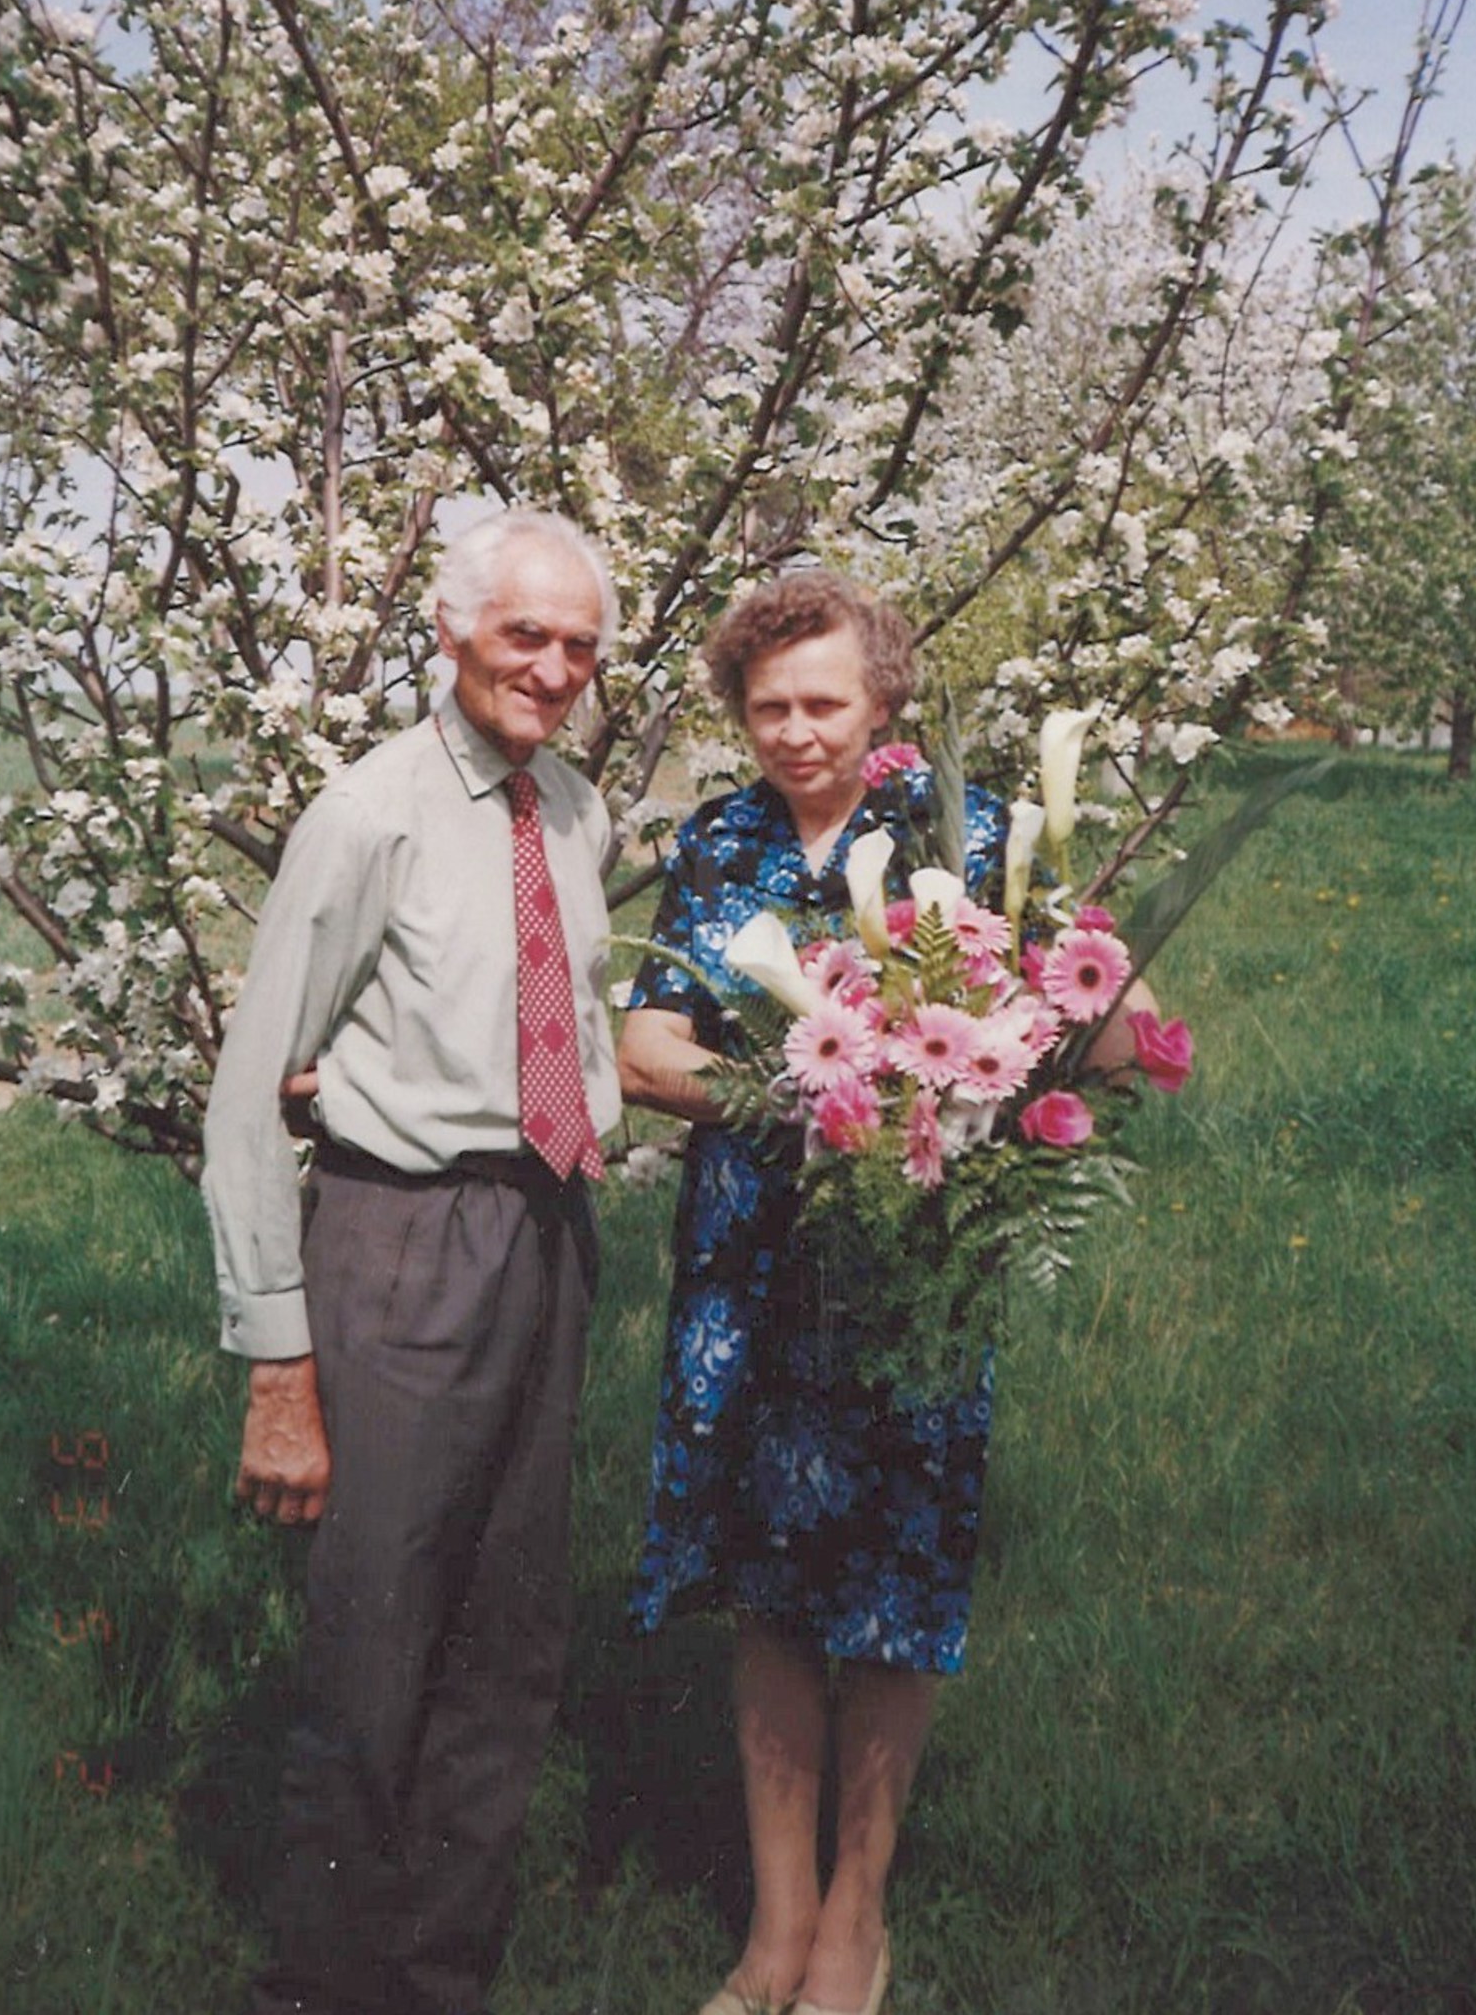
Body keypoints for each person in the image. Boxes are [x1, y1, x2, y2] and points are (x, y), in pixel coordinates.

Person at [617, 569, 1146, 2015]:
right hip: (747, 1259)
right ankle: (775, 1921)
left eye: (823, 704)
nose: (796, 732)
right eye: (768, 707)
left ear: (883, 701)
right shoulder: (718, 839)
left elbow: (1099, 1015)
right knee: (767, 1586)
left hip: (911, 1266)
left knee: (893, 1585)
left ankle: (856, 1916)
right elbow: (646, 1048)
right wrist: (806, 1088)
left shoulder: (965, 832)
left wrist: (1027, 1059)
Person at [202, 506, 621, 2015]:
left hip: (547, 1234)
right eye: (525, 634)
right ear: (449, 632)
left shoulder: (574, 810)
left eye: (580, 646)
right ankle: (319, 1985)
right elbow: (249, 1094)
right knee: (374, 1644)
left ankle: (441, 1977)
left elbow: (560, 1030)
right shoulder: (368, 813)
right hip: (402, 1245)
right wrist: (278, 1362)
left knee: (508, 1643)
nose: (553, 669)